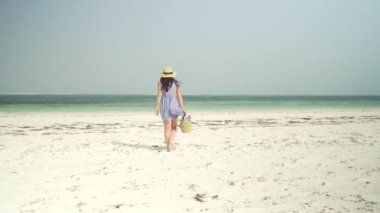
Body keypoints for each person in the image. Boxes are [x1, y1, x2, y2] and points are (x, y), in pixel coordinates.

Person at [155, 66, 187, 152]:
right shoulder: (176, 84)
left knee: (166, 127)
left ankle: (168, 144)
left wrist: (157, 107)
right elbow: (179, 96)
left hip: (164, 106)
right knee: (174, 126)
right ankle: (171, 142)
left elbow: (159, 96)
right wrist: (183, 107)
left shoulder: (160, 83)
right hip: (174, 105)